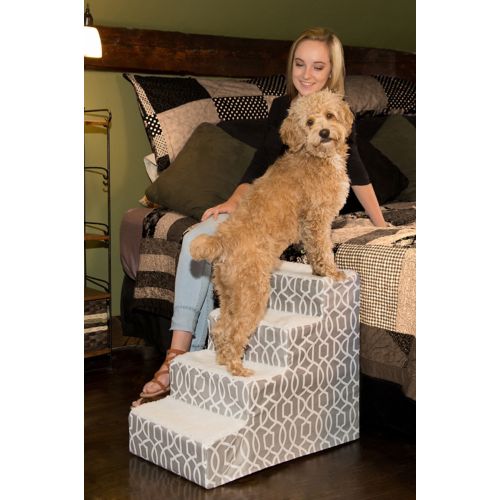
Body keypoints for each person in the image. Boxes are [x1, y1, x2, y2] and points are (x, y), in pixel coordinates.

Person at [132, 27, 386, 407]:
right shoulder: (282, 109)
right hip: (263, 203)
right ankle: (177, 353)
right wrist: (233, 200)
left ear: (332, 70)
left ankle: (193, 357)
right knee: (196, 237)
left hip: (303, 210)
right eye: (300, 64)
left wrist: (380, 223)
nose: (306, 74)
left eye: (318, 67)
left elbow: (358, 171)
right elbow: (260, 164)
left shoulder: (340, 112)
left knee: (219, 250)